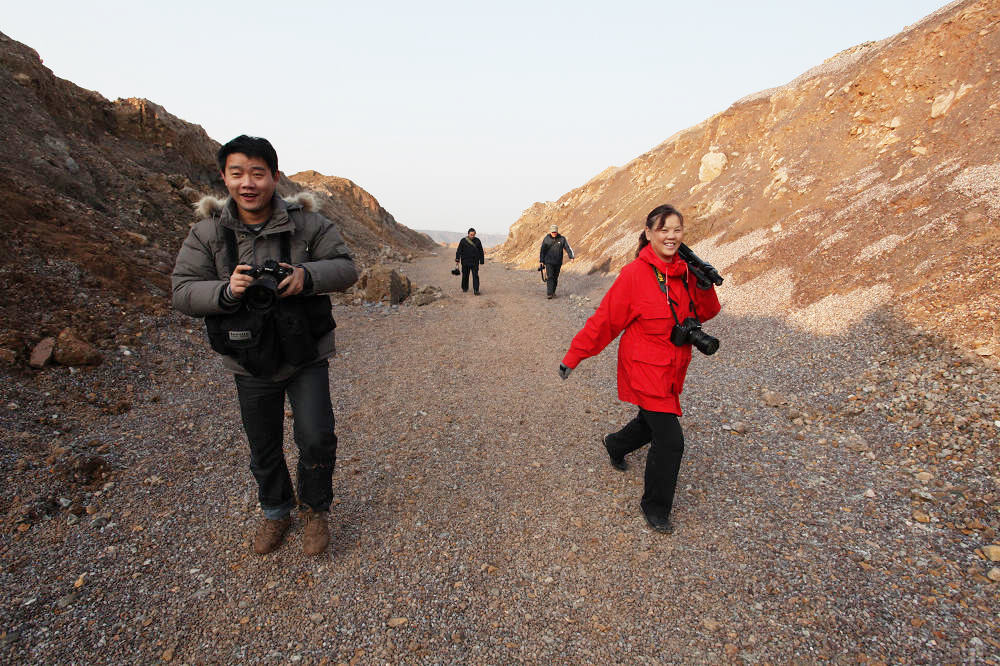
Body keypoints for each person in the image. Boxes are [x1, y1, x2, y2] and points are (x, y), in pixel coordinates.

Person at [172, 135, 358, 556]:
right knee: (263, 443)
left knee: (317, 436)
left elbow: (347, 268)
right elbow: (182, 291)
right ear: (224, 178)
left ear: (275, 177)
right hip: (248, 355)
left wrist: (306, 276)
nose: (248, 183)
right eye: (237, 173)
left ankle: (315, 510)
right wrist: (225, 290)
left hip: (305, 351)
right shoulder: (207, 232)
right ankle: (276, 512)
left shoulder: (308, 225)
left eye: (258, 173)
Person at [557, 205, 720, 534]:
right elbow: (605, 321)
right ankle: (655, 507)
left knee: (650, 422)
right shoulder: (634, 274)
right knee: (670, 440)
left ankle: (615, 445)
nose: (671, 236)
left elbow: (707, 312)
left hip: (673, 367)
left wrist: (705, 286)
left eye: (677, 229)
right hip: (644, 367)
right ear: (648, 233)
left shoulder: (686, 271)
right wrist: (574, 356)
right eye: (663, 229)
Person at [539, 224, 574, 298]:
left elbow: (567, 248)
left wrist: (571, 257)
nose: (554, 233)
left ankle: (553, 292)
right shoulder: (546, 239)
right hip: (549, 262)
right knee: (550, 277)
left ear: (557, 231)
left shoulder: (562, 239)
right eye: (552, 232)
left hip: (558, 262)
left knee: (555, 277)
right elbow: (542, 250)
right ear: (550, 232)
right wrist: (541, 260)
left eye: (555, 232)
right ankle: (549, 293)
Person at [454, 227, 485, 294]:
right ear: (468, 234)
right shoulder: (463, 240)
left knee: (475, 276)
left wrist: (482, 260)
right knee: (465, 275)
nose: (472, 236)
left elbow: (481, 251)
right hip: (465, 262)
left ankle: (476, 290)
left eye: (474, 235)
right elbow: (459, 250)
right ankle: (464, 288)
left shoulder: (478, 241)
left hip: (475, 262)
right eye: (471, 235)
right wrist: (457, 258)